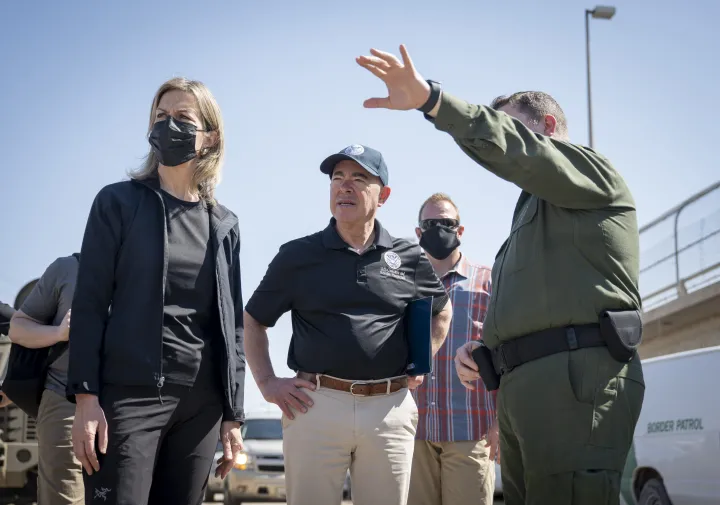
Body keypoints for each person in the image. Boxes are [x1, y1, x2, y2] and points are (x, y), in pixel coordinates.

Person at [356, 45, 645, 505]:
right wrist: (487, 347)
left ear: (547, 128)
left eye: (510, 128)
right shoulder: (528, 214)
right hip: (523, 392)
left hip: (574, 385)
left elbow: (516, 151)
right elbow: (537, 306)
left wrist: (432, 100)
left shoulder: (594, 177)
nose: (501, 147)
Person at [66, 77, 246, 505]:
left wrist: (232, 415)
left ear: (210, 137)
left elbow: (232, 325)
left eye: (183, 118)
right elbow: (89, 304)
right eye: (161, 117)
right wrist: (86, 398)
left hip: (202, 407)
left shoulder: (224, 224)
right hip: (130, 397)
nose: (169, 126)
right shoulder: (117, 203)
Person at [243, 144, 453, 505]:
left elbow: (441, 312)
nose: (345, 186)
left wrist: (421, 361)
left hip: (389, 408)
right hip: (314, 406)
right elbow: (253, 321)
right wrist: (266, 382)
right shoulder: (297, 256)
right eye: (337, 178)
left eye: (359, 178)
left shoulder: (409, 256)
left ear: (383, 195)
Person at [409, 193, 497, 505]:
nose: (439, 229)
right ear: (418, 234)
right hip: (413, 434)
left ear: (460, 231)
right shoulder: (404, 285)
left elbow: (505, 356)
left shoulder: (488, 282)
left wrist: (501, 421)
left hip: (471, 432)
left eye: (447, 223)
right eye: (430, 224)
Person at [8, 254, 82, 504]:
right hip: (64, 399)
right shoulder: (68, 269)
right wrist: (59, 333)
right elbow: (18, 327)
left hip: (130, 411)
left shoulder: (154, 276)